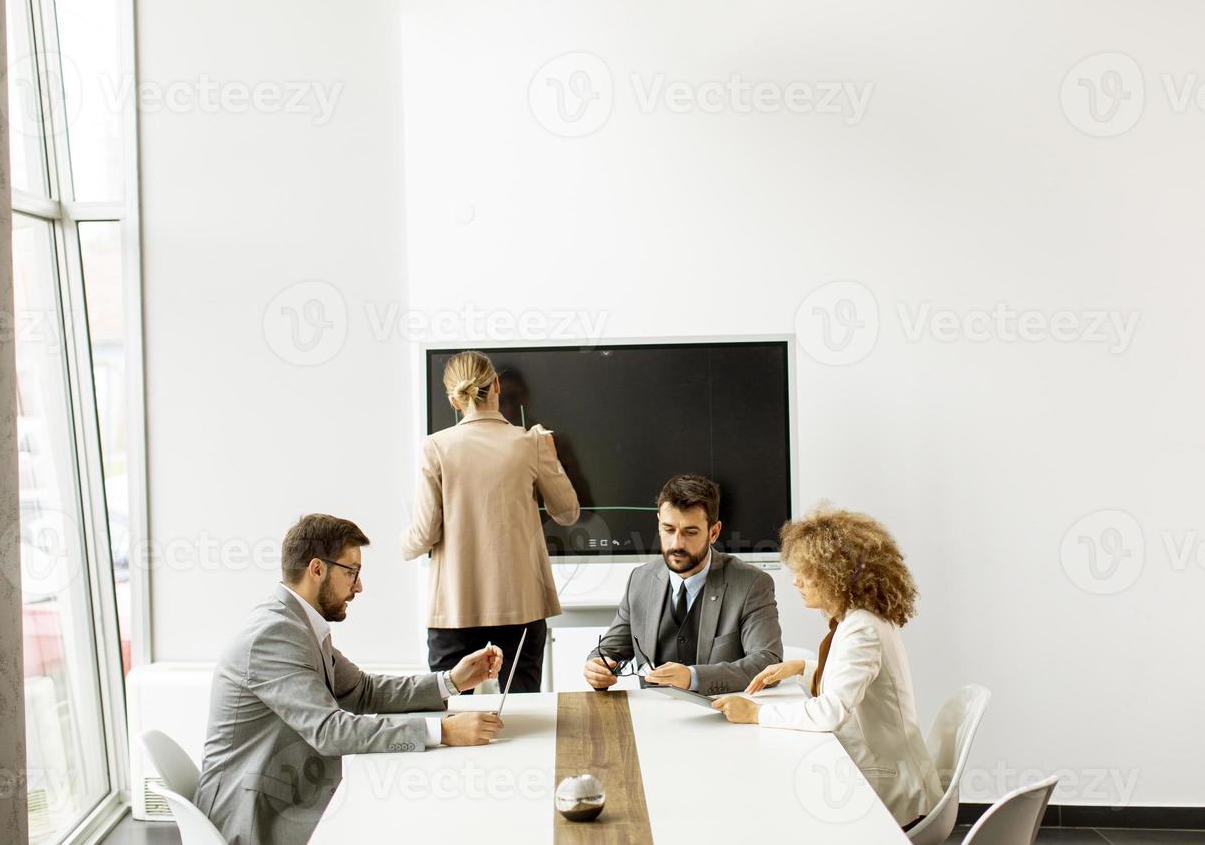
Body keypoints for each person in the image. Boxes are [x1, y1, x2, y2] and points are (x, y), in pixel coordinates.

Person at [195, 513, 505, 845]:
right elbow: (330, 731)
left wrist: (451, 681)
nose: (358, 586)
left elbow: (362, 691)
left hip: (290, 795)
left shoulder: (298, 623)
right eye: (352, 572)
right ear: (317, 569)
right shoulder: (275, 634)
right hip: (256, 817)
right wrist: (442, 731)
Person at [713, 505, 942, 829]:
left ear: (836, 573)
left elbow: (831, 712)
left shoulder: (861, 628)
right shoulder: (862, 618)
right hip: (887, 774)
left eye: (806, 571)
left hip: (889, 791)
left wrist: (755, 713)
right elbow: (854, 679)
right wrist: (800, 667)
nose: (796, 581)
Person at [402, 350, 581, 693]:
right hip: (522, 607)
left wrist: (400, 544)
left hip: (455, 606)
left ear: (454, 400)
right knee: (525, 715)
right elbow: (568, 513)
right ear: (496, 383)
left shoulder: (435, 447)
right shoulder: (531, 443)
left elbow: (424, 534)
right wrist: (550, 455)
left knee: (455, 719)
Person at [584, 474, 782, 695]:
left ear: (714, 532)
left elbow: (768, 663)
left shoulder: (751, 584)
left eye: (690, 532)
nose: (677, 543)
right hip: (653, 719)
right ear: (659, 523)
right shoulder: (640, 580)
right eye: (668, 529)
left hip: (722, 719)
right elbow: (610, 650)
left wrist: (693, 677)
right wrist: (597, 666)